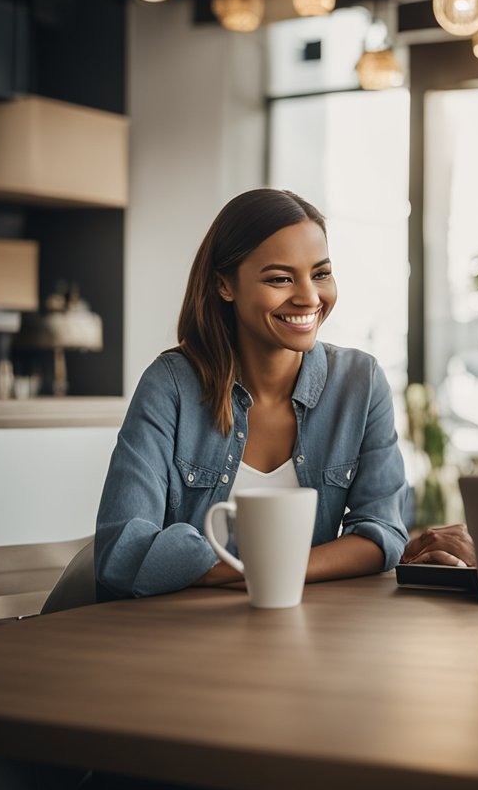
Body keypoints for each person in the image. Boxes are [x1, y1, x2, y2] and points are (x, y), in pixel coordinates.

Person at [96, 188, 426, 599]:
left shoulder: (361, 382)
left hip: (303, 632)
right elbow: (123, 550)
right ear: (225, 285)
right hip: (177, 638)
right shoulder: (170, 386)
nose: (308, 297)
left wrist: (269, 572)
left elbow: (382, 534)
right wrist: (270, 570)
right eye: (280, 278)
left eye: (320, 273)